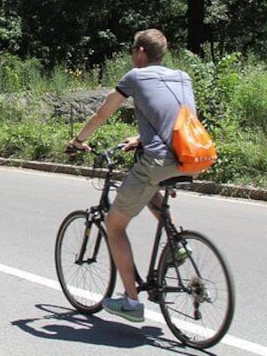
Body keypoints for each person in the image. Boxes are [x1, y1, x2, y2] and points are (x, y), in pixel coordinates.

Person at [68, 28, 197, 324]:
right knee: (147, 185)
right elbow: (176, 116)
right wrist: (141, 139)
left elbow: (103, 113)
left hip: (160, 159)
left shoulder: (135, 77)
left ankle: (131, 301)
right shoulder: (182, 77)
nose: (130, 55)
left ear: (140, 52)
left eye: (131, 50)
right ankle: (178, 243)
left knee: (114, 224)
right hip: (191, 156)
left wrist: (78, 141)